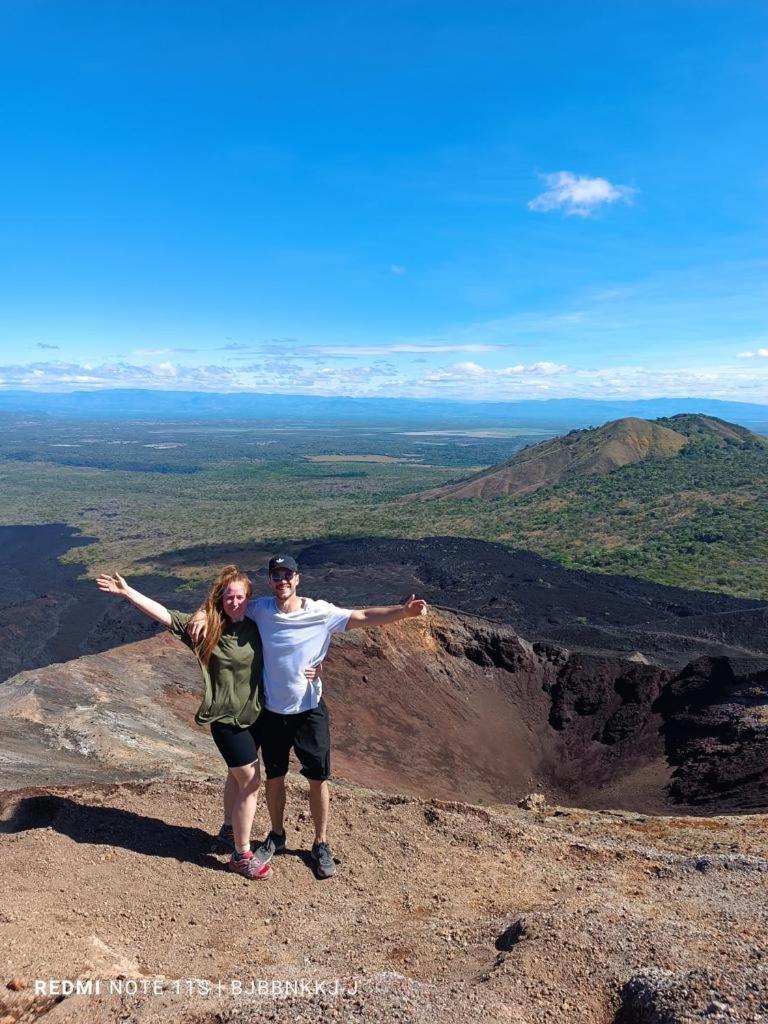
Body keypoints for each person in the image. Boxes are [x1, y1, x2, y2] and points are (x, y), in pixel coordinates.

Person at [188, 553, 428, 879]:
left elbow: (362, 615)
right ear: (270, 580)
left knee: (317, 779)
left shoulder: (321, 612)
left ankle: (321, 842)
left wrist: (402, 612)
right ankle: (276, 835)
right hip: (272, 713)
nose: (282, 580)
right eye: (276, 576)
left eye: (288, 575)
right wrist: (202, 615)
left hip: (309, 711)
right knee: (274, 778)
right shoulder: (261, 609)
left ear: (297, 578)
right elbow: (225, 603)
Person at [95, 564, 317, 881]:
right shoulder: (208, 630)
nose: (235, 601)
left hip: (255, 716)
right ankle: (241, 856)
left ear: (248, 599)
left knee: (236, 777)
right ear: (220, 599)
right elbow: (166, 616)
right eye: (229, 597)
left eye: (240, 596)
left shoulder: (256, 622)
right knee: (251, 782)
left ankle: (229, 830)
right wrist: (128, 592)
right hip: (226, 721)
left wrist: (315, 666)